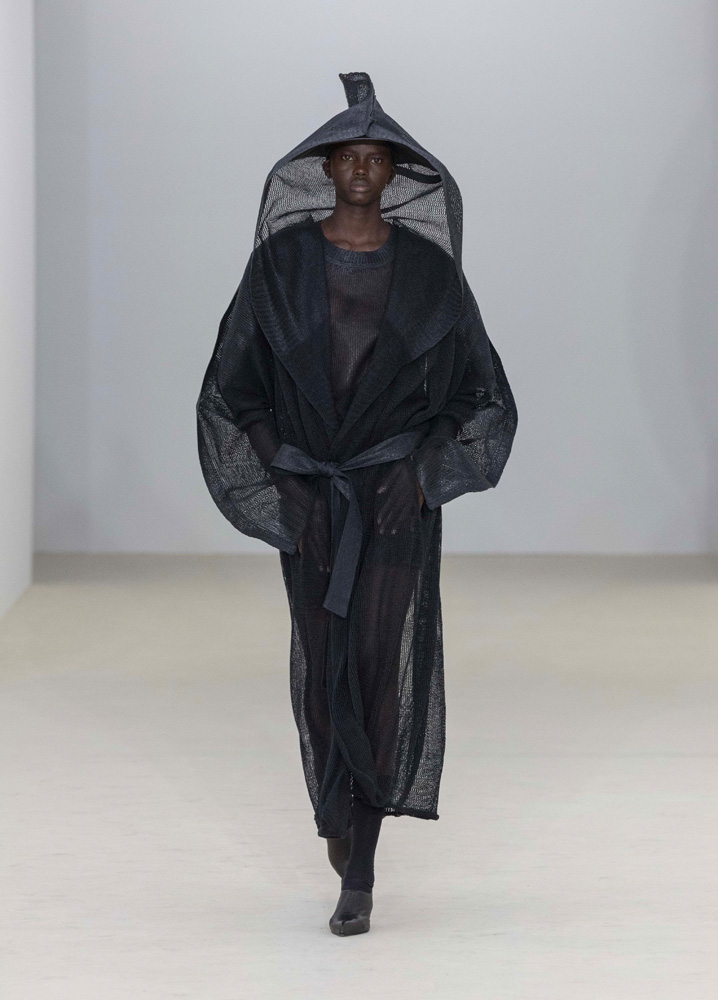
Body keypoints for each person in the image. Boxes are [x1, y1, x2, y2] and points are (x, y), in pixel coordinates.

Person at [196, 72, 518, 936]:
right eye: (351, 157)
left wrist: (420, 471)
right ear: (328, 167)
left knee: (378, 666)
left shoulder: (430, 272)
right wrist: (286, 480)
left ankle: (363, 864)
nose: (365, 170)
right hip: (312, 498)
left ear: (397, 171)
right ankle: (336, 812)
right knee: (319, 662)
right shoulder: (280, 264)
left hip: (393, 499)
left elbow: (476, 389)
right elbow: (237, 384)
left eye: (380, 158)